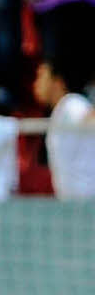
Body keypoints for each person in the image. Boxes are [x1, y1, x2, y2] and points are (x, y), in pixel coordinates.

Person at [33, 54, 95, 199]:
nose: (36, 84)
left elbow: (89, 118)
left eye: (41, 77)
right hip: (71, 203)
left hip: (86, 202)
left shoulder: (71, 104)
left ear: (57, 82)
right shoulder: (60, 112)